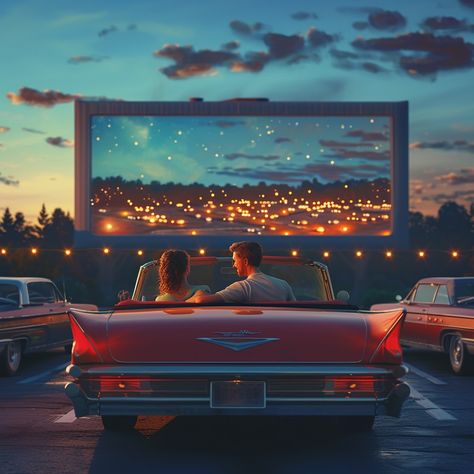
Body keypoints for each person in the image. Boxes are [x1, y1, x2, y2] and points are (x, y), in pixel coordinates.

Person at [187, 241, 295, 304]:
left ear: (245, 261)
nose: (233, 265)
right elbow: (295, 309)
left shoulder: (243, 287)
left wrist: (199, 293)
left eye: (235, 261)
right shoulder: (283, 284)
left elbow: (200, 300)